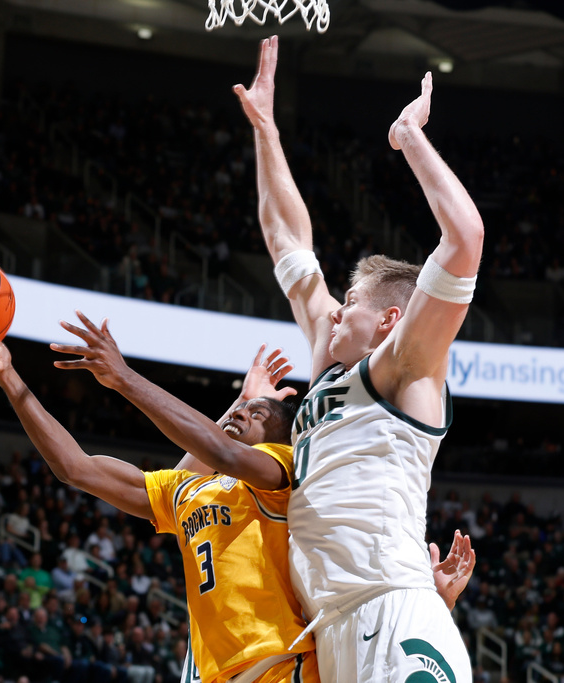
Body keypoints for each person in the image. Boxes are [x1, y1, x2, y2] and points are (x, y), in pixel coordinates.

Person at [0, 339, 474, 683]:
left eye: (255, 410)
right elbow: (76, 469)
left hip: (280, 664)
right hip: (213, 673)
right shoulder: (186, 495)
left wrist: (126, 379)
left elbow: (223, 450)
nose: (241, 412)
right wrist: (10, 378)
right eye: (237, 408)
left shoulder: (283, 471)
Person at [229, 36, 484, 682]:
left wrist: (409, 138)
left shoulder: (404, 367)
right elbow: (287, 239)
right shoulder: (328, 365)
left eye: (352, 301)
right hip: (331, 628)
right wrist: (266, 130)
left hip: (395, 614)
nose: (335, 310)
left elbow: (465, 240)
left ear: (392, 321)